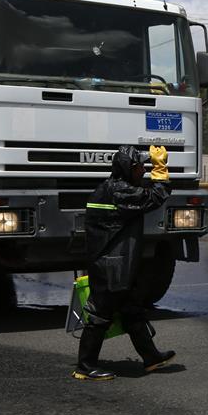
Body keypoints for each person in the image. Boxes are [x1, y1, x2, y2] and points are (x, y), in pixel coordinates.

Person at [73, 146, 175, 381]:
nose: (143, 170)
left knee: (131, 309)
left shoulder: (111, 188)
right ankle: (85, 366)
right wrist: (160, 169)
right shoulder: (120, 192)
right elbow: (156, 196)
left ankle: (152, 358)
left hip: (115, 261)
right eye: (140, 166)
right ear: (128, 169)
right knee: (100, 314)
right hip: (111, 265)